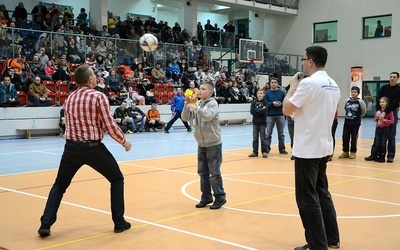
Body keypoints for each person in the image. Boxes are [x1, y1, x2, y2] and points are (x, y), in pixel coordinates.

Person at [38, 65, 132, 237]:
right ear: (89, 79)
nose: (96, 78)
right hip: (92, 148)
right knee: (117, 179)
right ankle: (119, 222)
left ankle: (45, 224)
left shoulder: (70, 97)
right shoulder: (98, 96)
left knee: (59, 185)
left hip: (70, 148)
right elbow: (109, 125)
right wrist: (124, 142)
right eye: (94, 76)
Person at [282, 45, 341, 250]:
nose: (302, 63)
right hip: (324, 146)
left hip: (308, 148)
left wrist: (292, 87)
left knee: (307, 199)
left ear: (311, 61)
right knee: (322, 192)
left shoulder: (308, 84)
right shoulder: (333, 84)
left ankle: (317, 244)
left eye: (303, 59)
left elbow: (286, 108)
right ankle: (331, 238)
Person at [181, 82, 227, 210]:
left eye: (203, 89)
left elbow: (207, 116)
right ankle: (206, 196)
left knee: (214, 172)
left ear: (210, 92)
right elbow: (185, 117)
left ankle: (220, 197)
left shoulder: (213, 104)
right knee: (202, 172)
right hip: (201, 144)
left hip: (213, 144)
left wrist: (195, 107)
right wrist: (187, 104)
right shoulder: (198, 103)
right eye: (199, 89)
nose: (199, 91)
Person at [365, 72, 400, 163]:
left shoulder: (398, 89)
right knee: (378, 134)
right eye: (391, 77)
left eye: (394, 77)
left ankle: (390, 156)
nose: (392, 78)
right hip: (381, 112)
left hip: (392, 112)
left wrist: (385, 112)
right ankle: (374, 154)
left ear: (398, 79)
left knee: (391, 135)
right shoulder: (384, 88)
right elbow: (378, 99)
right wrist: (378, 111)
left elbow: (395, 103)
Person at [338, 86, 366, 159]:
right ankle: (345, 151)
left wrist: (357, 117)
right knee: (345, 137)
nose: (353, 93)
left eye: (355, 92)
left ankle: (353, 152)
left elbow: (363, 111)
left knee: (354, 138)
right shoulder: (347, 100)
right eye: (352, 92)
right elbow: (345, 108)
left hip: (355, 123)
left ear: (358, 93)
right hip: (347, 122)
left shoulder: (360, 102)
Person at [265, 78, 288, 155]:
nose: (274, 84)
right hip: (270, 116)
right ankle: (267, 148)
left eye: (275, 82)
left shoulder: (282, 93)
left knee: (281, 134)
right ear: (270, 84)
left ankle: (282, 149)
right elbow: (265, 104)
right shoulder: (267, 93)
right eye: (272, 82)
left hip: (280, 115)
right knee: (268, 133)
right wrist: (272, 104)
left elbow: (286, 102)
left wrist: (281, 104)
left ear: (277, 83)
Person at [371, 97, 395, 162]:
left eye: (383, 102)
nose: (381, 103)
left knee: (383, 143)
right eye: (380, 102)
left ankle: (382, 157)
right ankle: (378, 156)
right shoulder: (379, 111)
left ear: (387, 103)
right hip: (378, 129)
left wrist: (385, 120)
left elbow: (392, 121)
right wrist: (376, 119)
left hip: (385, 129)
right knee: (377, 143)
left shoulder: (389, 112)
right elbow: (375, 119)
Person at [248, 89, 268, 158]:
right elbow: (252, 111)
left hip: (262, 122)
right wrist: (260, 110)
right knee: (255, 138)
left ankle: (264, 152)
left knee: (263, 138)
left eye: (261, 93)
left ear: (263, 94)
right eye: (258, 93)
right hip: (255, 122)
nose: (259, 94)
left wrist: (257, 110)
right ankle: (255, 152)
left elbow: (264, 111)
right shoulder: (254, 102)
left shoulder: (265, 102)